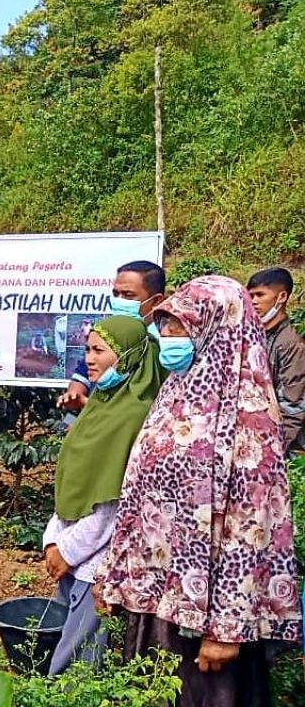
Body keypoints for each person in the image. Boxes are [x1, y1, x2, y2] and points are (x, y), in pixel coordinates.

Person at [97, 276, 301, 707]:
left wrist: (225, 631)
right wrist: (119, 577)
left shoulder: (249, 422)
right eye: (166, 325)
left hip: (206, 626)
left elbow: (249, 534)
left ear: (216, 328)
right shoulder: (178, 392)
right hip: (159, 607)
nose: (168, 336)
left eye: (178, 326)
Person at [42, 316, 165, 674]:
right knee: (69, 648)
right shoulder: (100, 404)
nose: (89, 360)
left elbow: (114, 503)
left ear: (127, 358)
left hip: (97, 563)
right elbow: (73, 484)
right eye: (87, 350)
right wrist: (53, 542)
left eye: (99, 351)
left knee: (76, 666)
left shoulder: (133, 415)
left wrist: (67, 550)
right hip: (70, 553)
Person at [59, 261, 166, 412]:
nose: (119, 301)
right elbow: (83, 372)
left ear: (156, 301)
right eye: (116, 294)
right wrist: (74, 394)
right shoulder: (106, 333)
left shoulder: (168, 344)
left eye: (128, 295)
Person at [247, 267, 304, 453]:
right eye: (251, 296)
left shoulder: (291, 344)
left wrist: (273, 452)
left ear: (281, 297)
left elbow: (293, 406)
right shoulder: (257, 335)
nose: (253, 302)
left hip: (283, 444)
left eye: (260, 295)